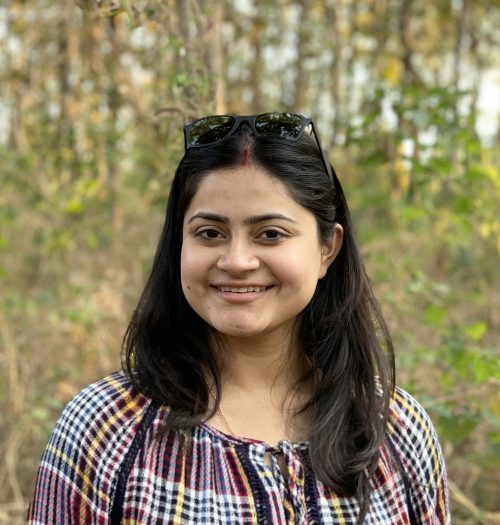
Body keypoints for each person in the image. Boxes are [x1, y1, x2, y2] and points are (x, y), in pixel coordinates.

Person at [28, 113, 450, 524]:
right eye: (210, 233)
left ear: (328, 248)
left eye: (271, 234)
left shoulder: (394, 427)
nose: (237, 261)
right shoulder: (105, 429)